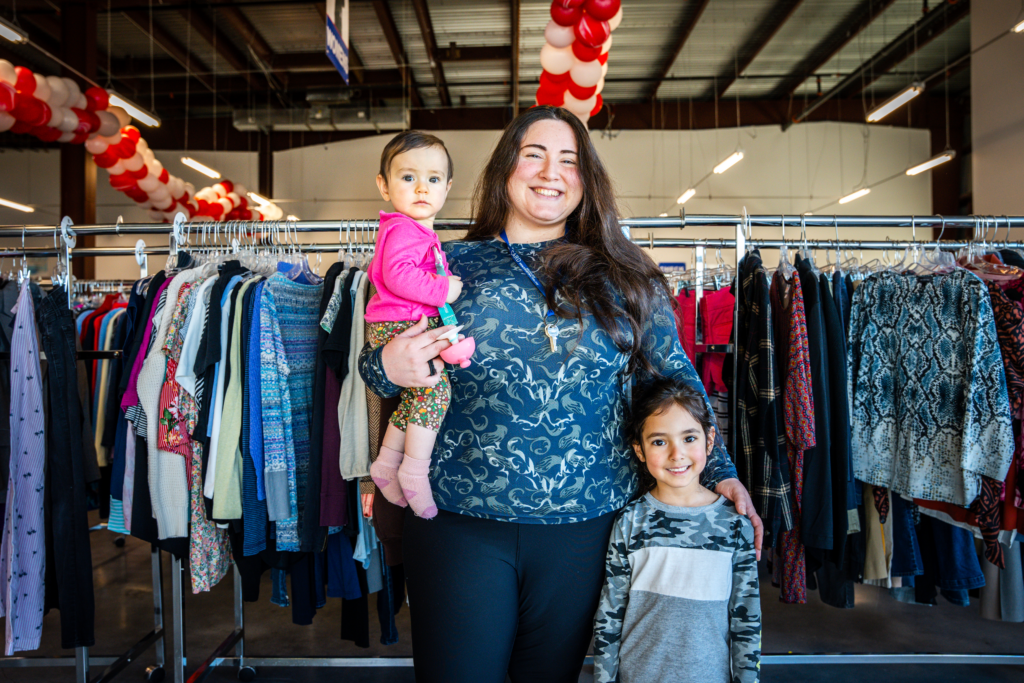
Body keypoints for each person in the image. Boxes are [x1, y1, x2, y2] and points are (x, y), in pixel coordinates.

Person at [359, 105, 763, 683]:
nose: (552, 172)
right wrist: (385, 365)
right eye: (534, 155)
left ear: (586, 178)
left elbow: (672, 381)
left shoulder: (627, 275)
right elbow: (376, 374)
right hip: (459, 524)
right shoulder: (444, 265)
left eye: (569, 160)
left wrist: (718, 468)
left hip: (588, 528)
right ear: (504, 170)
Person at [592, 377, 761, 683]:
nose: (676, 453)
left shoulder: (735, 525)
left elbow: (746, 621)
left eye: (689, 438)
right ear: (639, 450)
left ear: (710, 440)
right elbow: (610, 615)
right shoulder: (630, 521)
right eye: (659, 441)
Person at [364, 131, 463, 519]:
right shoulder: (404, 228)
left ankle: (387, 463)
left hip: (401, 324)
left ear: (447, 187)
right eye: (408, 178)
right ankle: (414, 471)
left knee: (414, 398)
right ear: (383, 186)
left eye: (433, 179)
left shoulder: (416, 230)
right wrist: (444, 290)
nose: (422, 187)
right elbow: (399, 276)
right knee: (435, 393)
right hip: (398, 325)